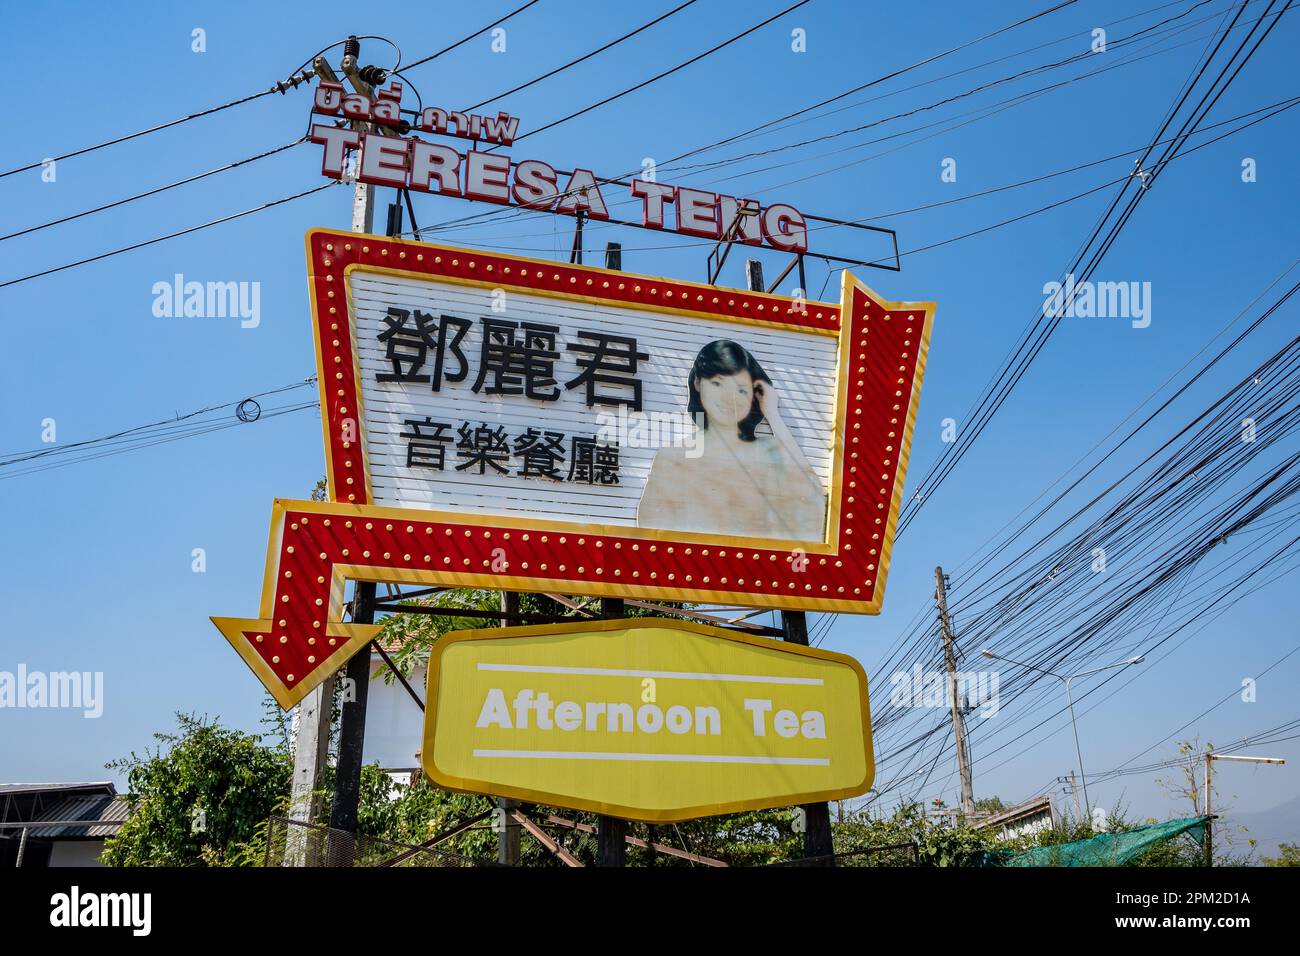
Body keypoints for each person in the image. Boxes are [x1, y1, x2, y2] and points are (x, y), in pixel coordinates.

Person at [637, 339, 826, 540]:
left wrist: (773, 414)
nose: (730, 398)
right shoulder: (672, 459)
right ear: (698, 383)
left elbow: (812, 505)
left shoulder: (772, 451)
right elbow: (650, 534)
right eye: (717, 383)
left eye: (741, 389)